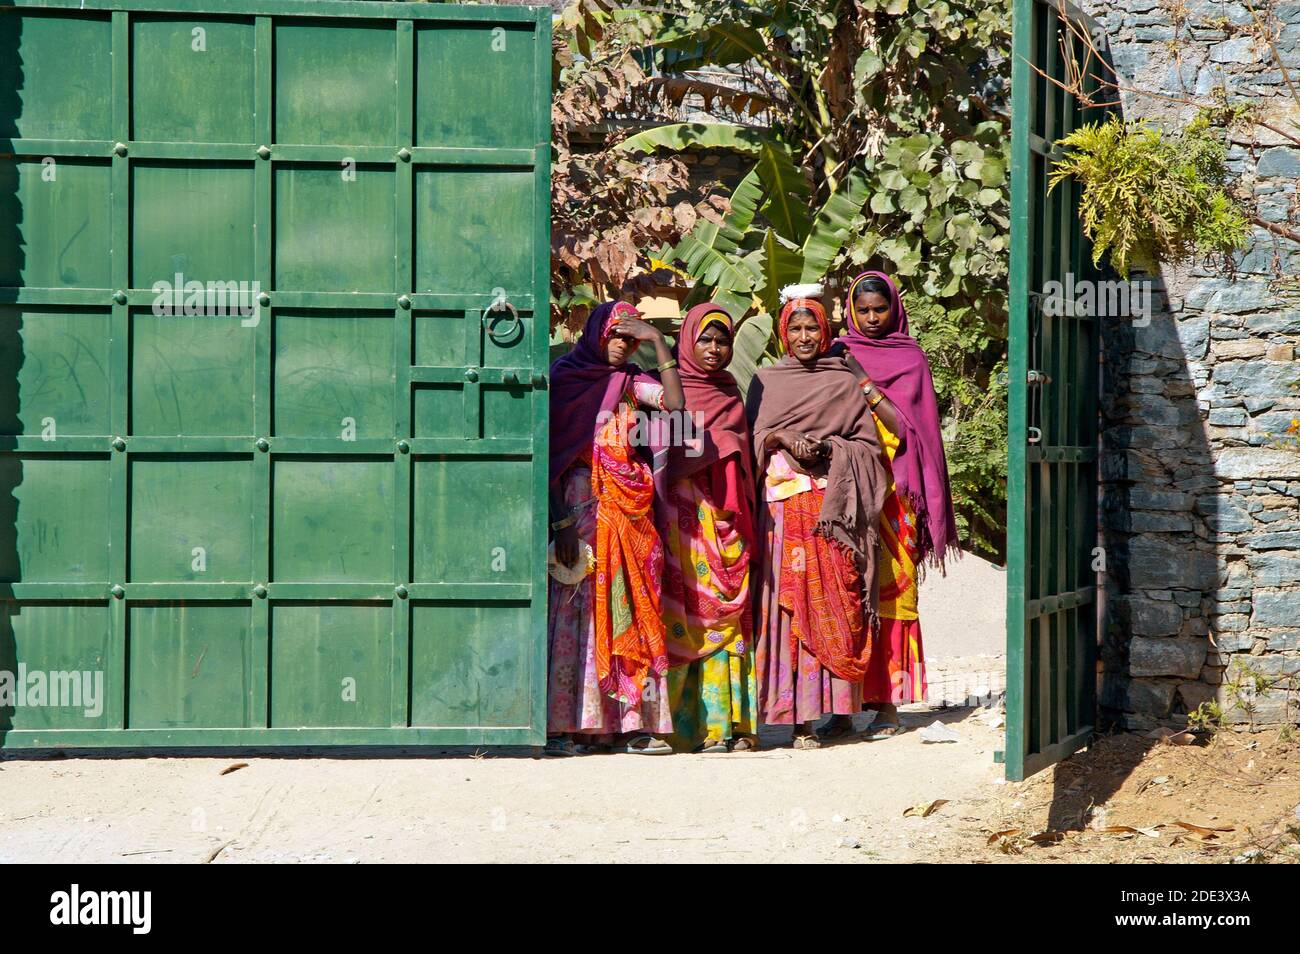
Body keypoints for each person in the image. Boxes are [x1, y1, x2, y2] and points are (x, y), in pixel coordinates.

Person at [747, 286, 890, 749]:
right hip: (784, 513)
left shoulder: (843, 382)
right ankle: (793, 716)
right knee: (789, 609)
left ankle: (839, 713)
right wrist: (781, 440)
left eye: (813, 328)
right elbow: (751, 439)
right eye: (795, 328)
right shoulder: (767, 380)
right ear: (782, 331)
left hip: (833, 513)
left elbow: (870, 450)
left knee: (835, 601)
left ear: (825, 330)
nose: (805, 336)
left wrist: (832, 448)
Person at [545, 301, 685, 756]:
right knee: (579, 610)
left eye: (630, 337)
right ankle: (568, 725)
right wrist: (561, 523)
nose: (622, 345)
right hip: (579, 510)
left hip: (630, 513)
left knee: (631, 606)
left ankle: (633, 725)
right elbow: (548, 459)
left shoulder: (631, 384)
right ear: (595, 335)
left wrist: (659, 342)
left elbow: (678, 408)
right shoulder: (563, 380)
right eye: (615, 335)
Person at [825, 271, 960, 740]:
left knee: (891, 595)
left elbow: (906, 431)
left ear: (894, 308)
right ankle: (841, 705)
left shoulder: (909, 358)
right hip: (844, 494)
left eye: (879, 309)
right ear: (850, 311)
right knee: (841, 595)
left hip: (895, 498)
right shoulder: (835, 352)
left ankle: (886, 705)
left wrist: (861, 378)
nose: (871, 318)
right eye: (862, 310)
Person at [660, 304, 759, 754]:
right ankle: (682, 729)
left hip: (722, 520)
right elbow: (659, 454)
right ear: (688, 342)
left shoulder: (730, 393)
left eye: (722, 341)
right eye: (706, 340)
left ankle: (725, 726)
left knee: (726, 612)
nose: (715, 350)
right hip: (678, 522)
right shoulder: (664, 390)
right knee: (683, 616)